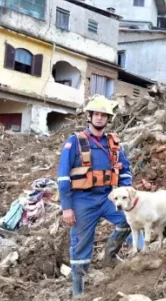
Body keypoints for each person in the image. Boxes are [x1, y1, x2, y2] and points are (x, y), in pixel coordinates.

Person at [56, 95, 132, 298]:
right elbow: (63, 177)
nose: (99, 118)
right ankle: (78, 292)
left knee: (129, 221)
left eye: (103, 115)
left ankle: (110, 254)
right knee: (81, 246)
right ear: (89, 116)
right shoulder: (75, 142)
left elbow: (125, 170)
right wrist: (67, 207)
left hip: (108, 198)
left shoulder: (114, 143)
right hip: (82, 201)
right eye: (96, 114)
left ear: (108, 119)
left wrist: (125, 191)